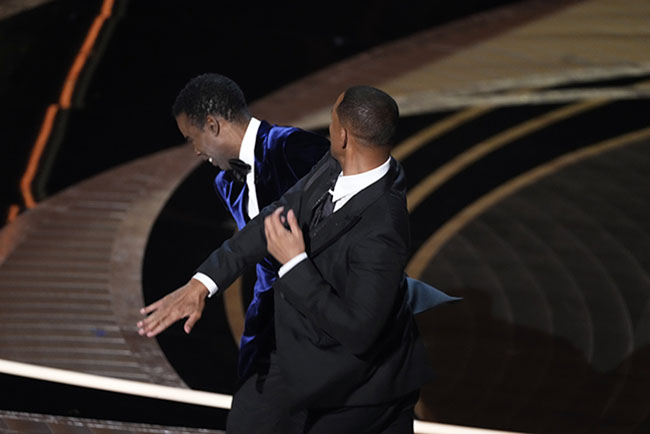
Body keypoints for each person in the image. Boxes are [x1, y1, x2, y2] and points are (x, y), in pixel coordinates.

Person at [139, 85, 433, 433]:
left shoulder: (383, 229)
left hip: (357, 388)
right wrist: (203, 283)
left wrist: (294, 263)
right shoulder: (333, 165)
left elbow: (359, 330)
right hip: (294, 356)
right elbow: (273, 218)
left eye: (332, 120)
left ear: (341, 136)